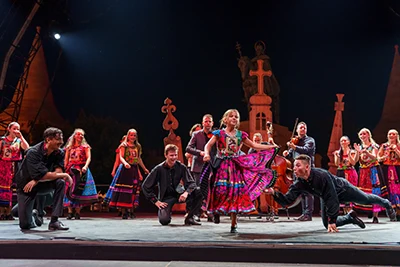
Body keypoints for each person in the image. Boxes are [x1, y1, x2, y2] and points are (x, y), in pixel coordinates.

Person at [266, 154, 396, 233]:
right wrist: (273, 192)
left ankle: (386, 203)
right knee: (326, 224)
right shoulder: (299, 183)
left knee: (365, 199)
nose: (294, 169)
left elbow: (332, 197)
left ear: (307, 167)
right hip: (326, 195)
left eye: (298, 165)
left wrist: (333, 220)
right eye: (294, 166)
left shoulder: (321, 176)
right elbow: (288, 200)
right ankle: (350, 217)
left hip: (343, 189)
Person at [203, 109, 277, 233]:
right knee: (220, 190)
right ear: (225, 119)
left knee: (235, 193)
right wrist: (206, 154)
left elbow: (254, 145)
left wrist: (270, 147)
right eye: (231, 116)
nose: (234, 118)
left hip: (235, 166)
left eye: (236, 117)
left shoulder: (240, 135)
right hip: (222, 166)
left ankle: (234, 222)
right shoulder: (219, 133)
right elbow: (208, 145)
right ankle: (216, 211)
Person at [15, 127, 73, 230]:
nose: (61, 142)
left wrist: (38, 179)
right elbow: (44, 175)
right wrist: (65, 175)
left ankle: (54, 221)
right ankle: (32, 213)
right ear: (48, 140)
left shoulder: (59, 153)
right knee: (25, 225)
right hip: (26, 186)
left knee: (60, 182)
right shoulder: (33, 152)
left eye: (61, 139)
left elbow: (58, 172)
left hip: (42, 184)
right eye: (58, 139)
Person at [142, 144, 203, 226]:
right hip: (167, 198)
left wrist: (186, 193)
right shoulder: (159, 169)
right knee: (164, 220)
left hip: (179, 194)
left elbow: (192, 183)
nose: (174, 157)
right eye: (171, 155)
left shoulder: (181, 167)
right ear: (165, 155)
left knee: (199, 191)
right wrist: (156, 201)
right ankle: (167, 213)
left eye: (175, 155)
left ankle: (190, 217)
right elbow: (145, 186)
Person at [108, 129, 149, 219]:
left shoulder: (137, 146)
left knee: (133, 190)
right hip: (125, 169)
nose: (133, 137)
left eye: (134, 135)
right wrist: (125, 163)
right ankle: (124, 212)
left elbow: (138, 159)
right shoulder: (123, 145)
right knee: (124, 190)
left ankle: (131, 210)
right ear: (128, 136)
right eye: (131, 135)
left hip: (133, 169)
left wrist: (144, 168)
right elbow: (121, 157)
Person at [283, 121, 315, 221]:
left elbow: (305, 150)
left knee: (308, 192)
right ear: (297, 130)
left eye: (304, 128)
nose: (303, 129)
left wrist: (294, 147)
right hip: (297, 170)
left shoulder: (310, 140)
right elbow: (291, 154)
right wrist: (286, 153)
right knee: (301, 192)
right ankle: (303, 213)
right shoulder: (295, 141)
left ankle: (308, 214)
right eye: (301, 128)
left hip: (307, 169)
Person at [63, 129, 98, 220]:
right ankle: (70, 212)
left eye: (82, 135)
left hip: (81, 169)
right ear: (74, 136)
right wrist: (65, 169)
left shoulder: (85, 147)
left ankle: (77, 212)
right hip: (70, 169)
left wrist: (85, 167)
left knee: (79, 189)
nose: (80, 136)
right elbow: (66, 159)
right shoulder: (69, 147)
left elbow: (88, 158)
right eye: (78, 134)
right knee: (68, 189)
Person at [354, 128, 386, 223]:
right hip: (363, 171)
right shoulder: (359, 147)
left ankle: (375, 215)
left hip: (372, 170)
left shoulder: (373, 146)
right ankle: (364, 211)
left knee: (375, 191)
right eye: (361, 134)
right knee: (362, 192)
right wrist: (357, 152)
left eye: (364, 134)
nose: (362, 136)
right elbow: (356, 161)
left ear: (368, 135)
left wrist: (366, 152)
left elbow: (375, 158)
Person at [0, 122, 29, 220]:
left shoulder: (18, 140)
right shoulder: (2, 141)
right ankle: (1, 212)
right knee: (2, 189)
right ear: (9, 129)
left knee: (11, 189)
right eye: (14, 128)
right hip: (3, 166)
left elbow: (27, 148)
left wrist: (21, 137)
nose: (16, 130)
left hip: (15, 166)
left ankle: (8, 212)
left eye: (18, 129)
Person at [378, 129, 400, 221]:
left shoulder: (399, 145)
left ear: (397, 135)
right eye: (390, 134)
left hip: (397, 169)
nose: (391, 135)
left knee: (398, 188)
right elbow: (378, 158)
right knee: (389, 189)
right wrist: (383, 157)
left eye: (393, 134)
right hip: (386, 169)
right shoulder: (384, 146)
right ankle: (392, 211)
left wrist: (396, 150)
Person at [333, 136, 359, 213]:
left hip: (350, 172)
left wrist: (348, 154)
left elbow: (353, 163)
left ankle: (350, 212)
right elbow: (337, 164)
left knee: (350, 191)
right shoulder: (337, 152)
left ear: (348, 142)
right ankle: (345, 213)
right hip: (341, 172)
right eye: (341, 141)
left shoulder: (352, 151)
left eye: (345, 140)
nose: (343, 142)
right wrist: (337, 157)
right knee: (342, 191)